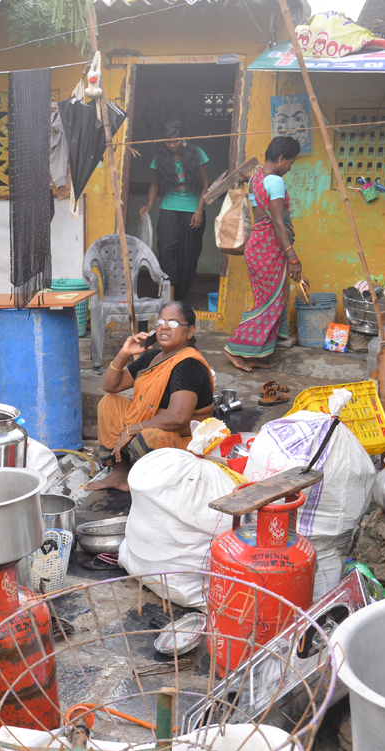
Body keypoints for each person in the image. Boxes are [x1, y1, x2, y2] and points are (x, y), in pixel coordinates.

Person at [89, 298, 215, 492]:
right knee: (109, 403)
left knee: (150, 436)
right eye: (160, 322)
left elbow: (178, 417)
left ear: (189, 331)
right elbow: (110, 386)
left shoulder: (189, 364)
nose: (165, 328)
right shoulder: (152, 357)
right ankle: (120, 474)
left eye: (173, 323)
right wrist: (124, 352)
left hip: (183, 439)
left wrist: (133, 429)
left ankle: (148, 483)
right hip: (153, 424)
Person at [224, 136, 303, 374]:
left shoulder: (257, 177)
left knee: (268, 303)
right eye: (290, 162)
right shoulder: (275, 182)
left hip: (257, 246)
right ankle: (234, 347)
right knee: (269, 305)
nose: (290, 167)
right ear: (280, 159)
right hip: (269, 248)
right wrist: (293, 258)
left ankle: (258, 354)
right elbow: (278, 223)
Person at [140, 121, 210, 304]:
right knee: (167, 252)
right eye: (168, 142)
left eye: (175, 141)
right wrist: (148, 205)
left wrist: (199, 211)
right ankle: (169, 300)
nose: (172, 145)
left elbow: (206, 183)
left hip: (193, 211)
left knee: (188, 255)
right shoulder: (161, 156)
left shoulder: (197, 153)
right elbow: (155, 183)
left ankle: (181, 297)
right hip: (168, 210)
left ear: (183, 137)